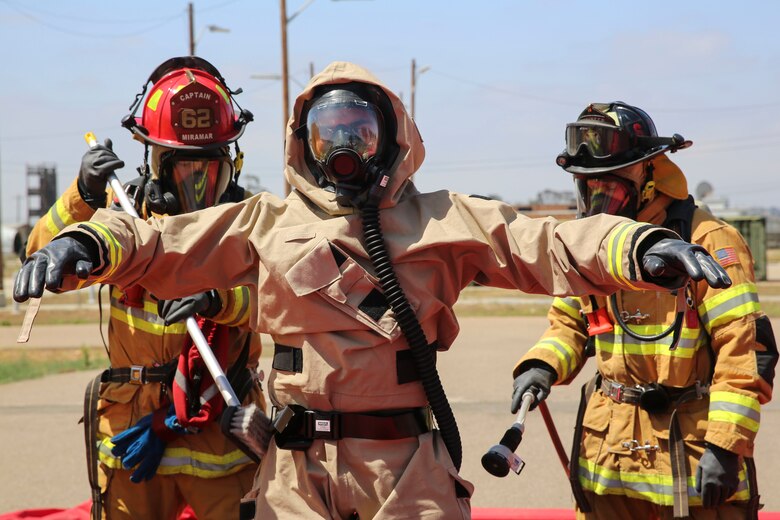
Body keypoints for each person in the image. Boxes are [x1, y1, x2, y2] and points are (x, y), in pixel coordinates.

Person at [15, 63, 732, 520]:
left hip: (406, 470)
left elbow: (541, 240)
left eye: (359, 128)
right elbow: (162, 240)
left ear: (392, 135)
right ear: (304, 142)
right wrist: (85, 243)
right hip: (295, 469)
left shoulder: (441, 219)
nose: (344, 147)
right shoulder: (263, 221)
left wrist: (638, 246)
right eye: (330, 133)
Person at [23, 56, 266, 520]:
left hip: (223, 430)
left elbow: (285, 297)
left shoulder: (252, 222)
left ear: (232, 162)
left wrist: (221, 299)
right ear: (152, 160)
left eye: (208, 169)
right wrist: (82, 194)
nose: (196, 186)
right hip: (133, 429)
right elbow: (41, 256)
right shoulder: (120, 218)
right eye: (180, 168)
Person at [511, 102, 778, 519]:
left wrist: (726, 446)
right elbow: (569, 326)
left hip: (691, 456)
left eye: (610, 190)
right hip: (607, 456)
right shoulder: (589, 247)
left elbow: (743, 354)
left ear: (650, 178)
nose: (597, 203)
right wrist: (542, 364)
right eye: (588, 189)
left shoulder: (708, 243)